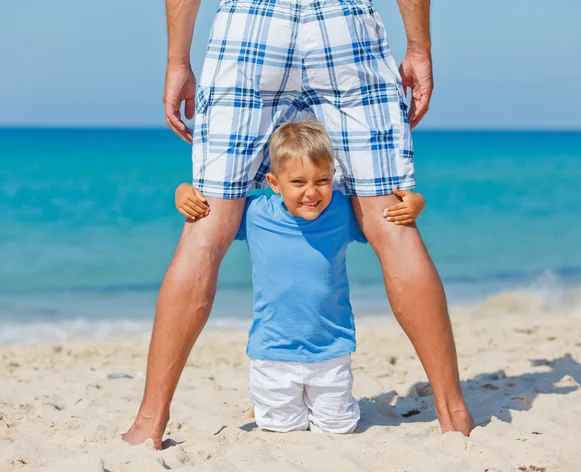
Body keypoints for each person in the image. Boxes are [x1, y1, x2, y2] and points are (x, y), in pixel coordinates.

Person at [123, 0, 475, 449]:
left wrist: (177, 60)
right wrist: (420, 48)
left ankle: (150, 422)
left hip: (250, 26)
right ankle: (454, 414)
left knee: (205, 232)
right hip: (344, 24)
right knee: (393, 227)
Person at [175, 120, 426, 433]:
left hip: (331, 349)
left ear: (333, 177)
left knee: (339, 428)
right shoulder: (255, 213)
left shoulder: (343, 211)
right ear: (274, 183)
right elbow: (208, 210)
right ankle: (267, 402)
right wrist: (182, 191)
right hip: (273, 352)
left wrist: (417, 203)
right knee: (283, 429)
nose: (311, 192)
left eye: (322, 180)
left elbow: (389, 217)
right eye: (298, 182)